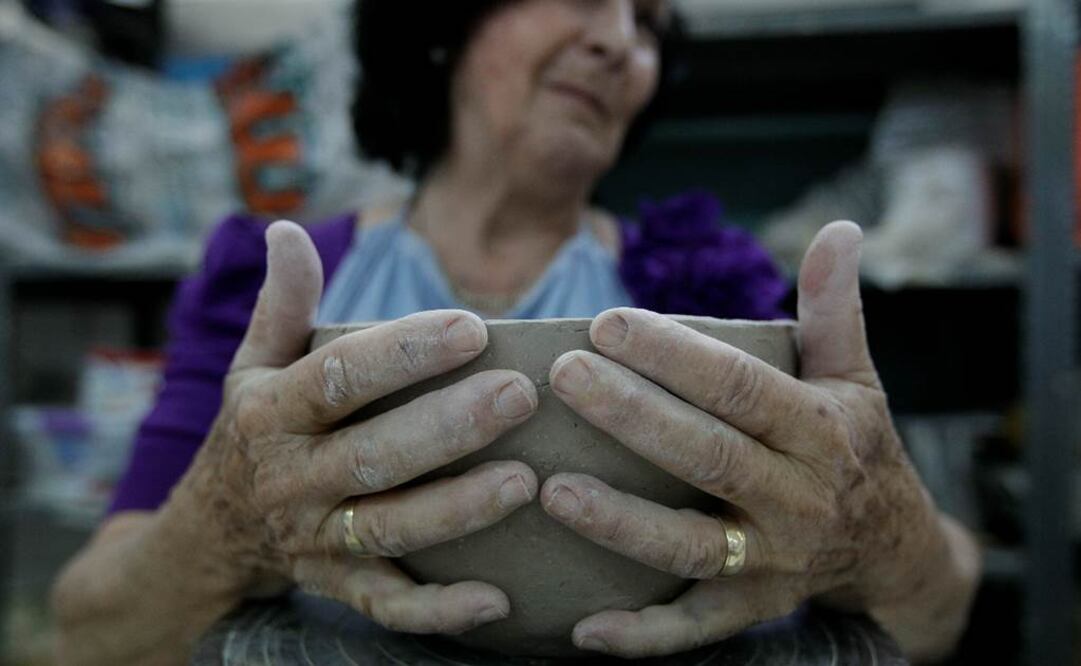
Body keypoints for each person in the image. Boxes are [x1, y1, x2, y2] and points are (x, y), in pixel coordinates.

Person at [50, 1, 981, 663]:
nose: (620, 43)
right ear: (446, 22)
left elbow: (940, 612)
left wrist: (865, 527)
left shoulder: (710, 282)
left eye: (647, 24)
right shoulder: (274, 284)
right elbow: (92, 632)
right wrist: (232, 520)